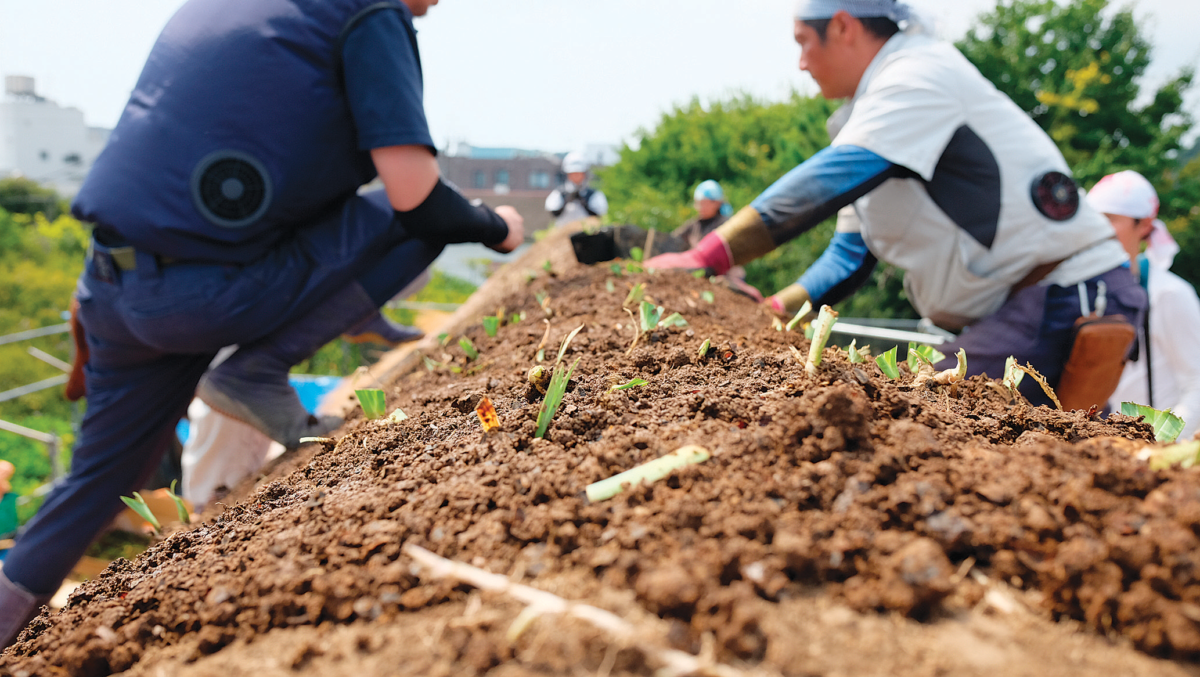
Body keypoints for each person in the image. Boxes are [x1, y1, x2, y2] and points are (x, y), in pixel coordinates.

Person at [0, 0, 526, 647]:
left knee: (94, 486)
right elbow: (415, 196)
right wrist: (500, 226)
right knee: (425, 218)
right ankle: (256, 369)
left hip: (110, 283)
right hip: (203, 294)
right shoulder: (370, 13)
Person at [646, 0, 1144, 407]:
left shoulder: (918, 74)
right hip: (1020, 305)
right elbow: (849, 256)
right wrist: (775, 309)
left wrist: (703, 258)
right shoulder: (866, 121)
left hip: (1070, 292)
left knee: (928, 412)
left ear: (841, 26)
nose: (800, 63)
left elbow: (827, 181)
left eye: (802, 42)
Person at [1092, 171, 1200, 438]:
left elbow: (1197, 383)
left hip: (1151, 454)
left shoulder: (1169, 293)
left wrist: (1162, 445)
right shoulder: (1086, 290)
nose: (1099, 229)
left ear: (1144, 225)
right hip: (1099, 449)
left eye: (1111, 219)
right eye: (1094, 220)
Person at [545, 151, 608, 226]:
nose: (576, 176)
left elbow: (599, 214)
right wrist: (566, 200)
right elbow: (554, 213)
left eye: (579, 173)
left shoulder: (594, 195)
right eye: (573, 173)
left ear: (585, 173)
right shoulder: (559, 193)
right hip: (563, 234)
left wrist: (584, 203)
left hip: (588, 235)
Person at [672, 180, 734, 247]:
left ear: (716, 203)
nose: (698, 207)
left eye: (703, 203)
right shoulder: (694, 225)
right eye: (697, 203)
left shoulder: (726, 224)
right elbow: (673, 239)